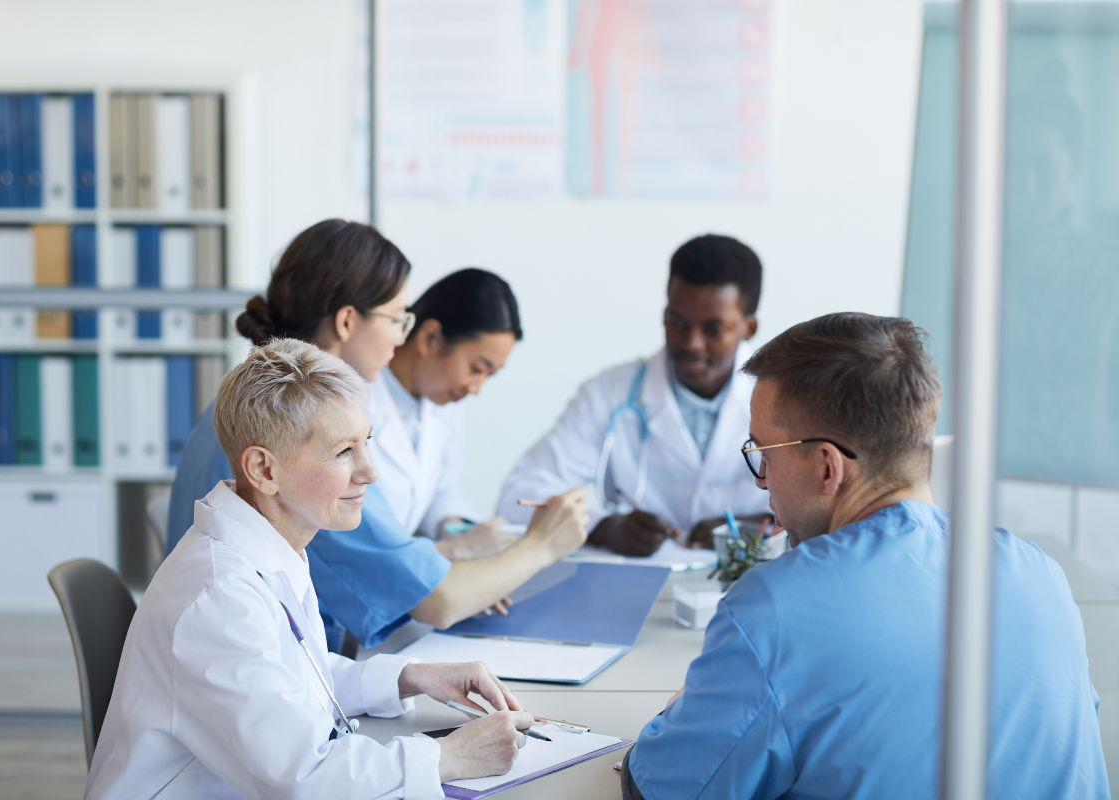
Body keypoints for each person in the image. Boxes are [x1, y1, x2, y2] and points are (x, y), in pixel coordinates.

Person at [620, 313, 1109, 799]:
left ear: (828, 467)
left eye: (765, 453)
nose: (762, 479)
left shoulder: (773, 612)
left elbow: (658, 790)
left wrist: (691, 713)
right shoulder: (1042, 575)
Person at [87, 339, 538, 800]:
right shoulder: (219, 596)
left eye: (367, 443)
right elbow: (303, 778)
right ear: (264, 470)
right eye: (344, 452)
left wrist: (410, 677)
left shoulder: (269, 543)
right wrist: (451, 757)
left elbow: (289, 678)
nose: (370, 472)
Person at [166, 219, 588, 651]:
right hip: (253, 668)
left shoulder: (244, 403)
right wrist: (542, 544)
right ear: (347, 322)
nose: (398, 339)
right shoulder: (302, 436)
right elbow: (438, 601)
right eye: (397, 320)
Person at [497, 234, 771, 556]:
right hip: (640, 587)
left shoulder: (787, 397)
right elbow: (519, 496)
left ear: (748, 328)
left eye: (713, 330)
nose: (691, 343)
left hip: (750, 583)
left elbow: (832, 501)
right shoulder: (610, 393)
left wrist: (761, 523)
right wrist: (603, 527)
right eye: (677, 322)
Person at [371, 268, 523, 559]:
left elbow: (441, 489)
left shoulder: (443, 400)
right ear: (430, 337)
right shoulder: (355, 395)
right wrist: (459, 550)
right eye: (477, 369)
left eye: (490, 375)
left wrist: (459, 530)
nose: (476, 388)